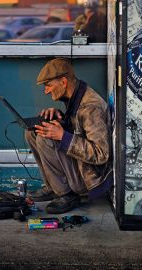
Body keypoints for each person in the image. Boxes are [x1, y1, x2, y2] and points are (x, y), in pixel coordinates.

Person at [25, 58, 112, 214]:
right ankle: (53, 186)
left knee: (46, 137)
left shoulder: (91, 107)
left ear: (63, 82)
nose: (46, 91)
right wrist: (60, 118)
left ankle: (67, 195)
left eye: (49, 85)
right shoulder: (75, 95)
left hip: (91, 178)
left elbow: (101, 154)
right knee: (33, 132)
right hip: (80, 167)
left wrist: (62, 135)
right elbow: (79, 129)